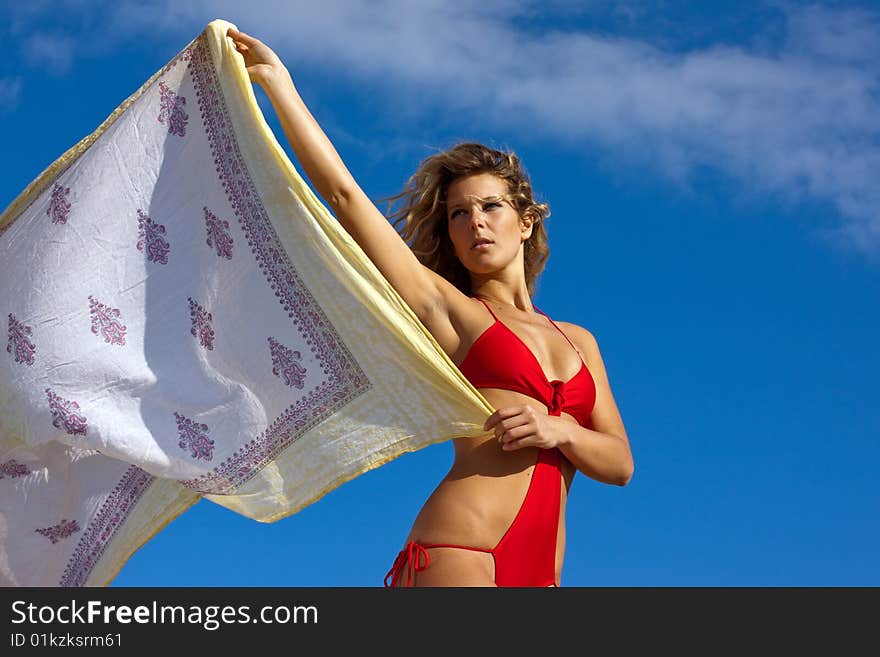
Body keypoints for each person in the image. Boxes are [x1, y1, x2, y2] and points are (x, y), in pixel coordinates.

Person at [227, 27, 634, 587]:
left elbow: (620, 463)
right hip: (464, 548)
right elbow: (345, 196)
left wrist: (557, 429)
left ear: (527, 220)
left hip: (542, 573)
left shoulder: (579, 341)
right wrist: (279, 84)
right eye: (459, 214)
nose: (476, 223)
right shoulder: (451, 312)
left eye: (491, 206)